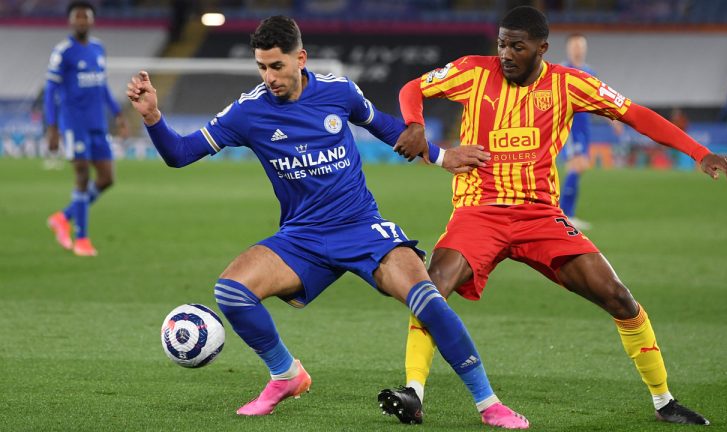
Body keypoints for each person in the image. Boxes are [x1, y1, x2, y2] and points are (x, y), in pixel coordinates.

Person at [126, 15, 528, 429]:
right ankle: (286, 376)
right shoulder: (248, 112)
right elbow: (179, 153)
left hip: (360, 226)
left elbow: (390, 128)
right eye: (262, 67)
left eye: (277, 66)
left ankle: (488, 403)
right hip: (302, 236)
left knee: (427, 298)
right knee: (230, 292)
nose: (269, 77)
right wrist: (153, 117)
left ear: (300, 58)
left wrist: (442, 158)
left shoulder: (339, 92)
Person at [380, 5, 727, 428]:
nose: (506, 54)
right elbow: (412, 88)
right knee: (433, 286)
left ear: (542, 49)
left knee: (618, 297)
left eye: (518, 46)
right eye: (502, 44)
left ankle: (664, 401)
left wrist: (700, 152)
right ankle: (414, 392)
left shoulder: (569, 84)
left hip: (539, 216)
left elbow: (634, 114)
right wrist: (414, 123)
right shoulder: (471, 72)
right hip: (479, 211)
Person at [45, 1, 128, 256]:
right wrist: (52, 127)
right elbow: (50, 91)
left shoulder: (97, 49)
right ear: (71, 21)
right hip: (73, 125)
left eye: (86, 17)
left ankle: (64, 216)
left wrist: (118, 114)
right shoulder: (63, 52)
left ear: (92, 21)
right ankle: (81, 239)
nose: (82, 21)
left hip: (97, 124)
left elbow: (102, 87)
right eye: (77, 17)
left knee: (106, 179)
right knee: (82, 176)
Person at [559, 33, 623, 230]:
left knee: (581, 165)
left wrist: (612, 119)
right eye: (574, 46)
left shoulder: (589, 72)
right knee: (576, 166)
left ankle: (567, 214)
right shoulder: (561, 71)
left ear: (584, 48)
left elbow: (598, 102)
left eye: (580, 46)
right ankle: (564, 215)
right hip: (569, 126)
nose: (577, 49)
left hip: (584, 126)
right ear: (568, 49)